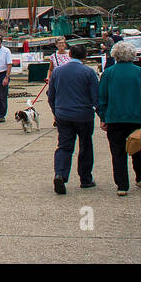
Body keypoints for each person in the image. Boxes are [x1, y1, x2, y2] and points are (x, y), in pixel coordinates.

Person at [97, 40, 141, 195]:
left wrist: (102, 117)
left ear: (115, 55)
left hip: (114, 118)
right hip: (136, 117)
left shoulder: (108, 73)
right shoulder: (140, 72)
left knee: (117, 153)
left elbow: (102, 97)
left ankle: (122, 185)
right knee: (137, 148)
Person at [48, 43, 99, 193]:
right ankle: (85, 179)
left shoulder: (57, 72)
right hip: (84, 115)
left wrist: (56, 113)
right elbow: (96, 97)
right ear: (85, 57)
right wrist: (102, 116)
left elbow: (51, 96)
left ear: (69, 55)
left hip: (63, 114)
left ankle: (60, 174)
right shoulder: (89, 73)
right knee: (85, 146)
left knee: (64, 146)